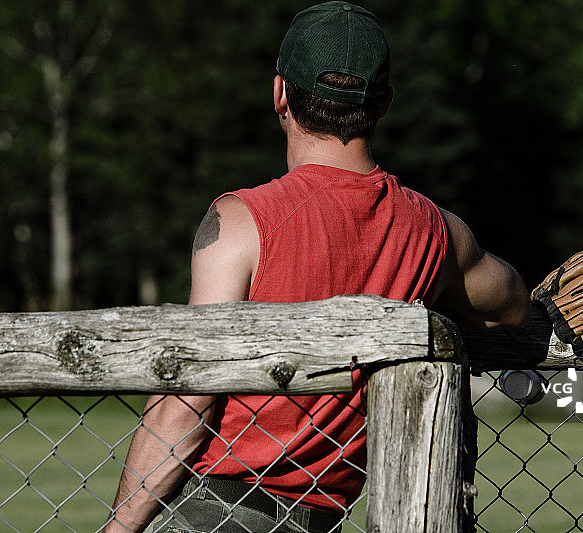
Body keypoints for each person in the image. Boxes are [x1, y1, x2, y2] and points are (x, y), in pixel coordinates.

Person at [105, 2, 531, 532]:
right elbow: (512, 306)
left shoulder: (240, 221)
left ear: (280, 93)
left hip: (215, 508)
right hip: (319, 518)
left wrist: (120, 528)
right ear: (385, 104)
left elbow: (189, 399)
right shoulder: (435, 231)